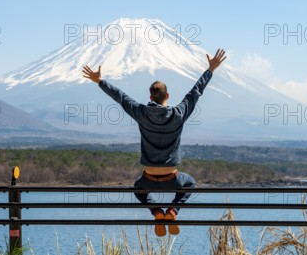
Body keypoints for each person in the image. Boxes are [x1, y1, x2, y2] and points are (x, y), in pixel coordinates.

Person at [82, 48, 227, 237]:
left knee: (137, 187)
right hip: (172, 179)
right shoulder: (179, 114)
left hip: (148, 178)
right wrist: (210, 69)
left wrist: (99, 81)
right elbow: (195, 92)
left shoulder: (141, 113)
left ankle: (157, 212)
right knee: (190, 183)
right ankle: (172, 212)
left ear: (151, 98)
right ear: (167, 96)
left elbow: (120, 97)